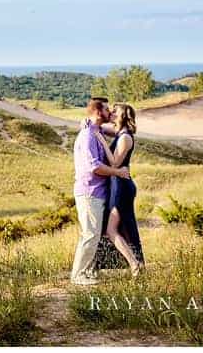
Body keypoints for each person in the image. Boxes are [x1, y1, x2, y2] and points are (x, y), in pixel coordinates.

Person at [70, 98, 131, 285]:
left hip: (98, 192)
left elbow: (116, 130)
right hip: (89, 192)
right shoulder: (89, 135)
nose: (110, 112)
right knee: (89, 233)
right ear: (98, 112)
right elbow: (94, 167)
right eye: (106, 109)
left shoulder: (95, 130)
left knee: (94, 233)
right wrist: (118, 171)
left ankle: (87, 272)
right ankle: (78, 275)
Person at [93, 102, 145, 277]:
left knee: (111, 229)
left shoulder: (125, 138)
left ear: (123, 116)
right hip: (117, 184)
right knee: (121, 227)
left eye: (116, 112)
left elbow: (115, 163)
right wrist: (94, 125)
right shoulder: (120, 133)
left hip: (122, 187)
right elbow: (102, 129)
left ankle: (134, 265)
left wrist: (102, 142)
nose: (112, 114)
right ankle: (136, 265)